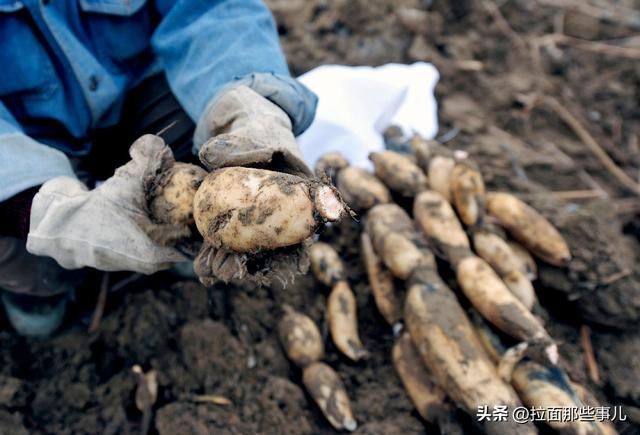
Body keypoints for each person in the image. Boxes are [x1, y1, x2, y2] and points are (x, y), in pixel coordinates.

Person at [0, 0, 318, 337]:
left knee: (211, 144)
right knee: (29, 252)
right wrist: (33, 208)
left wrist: (249, 99)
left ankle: (188, 238)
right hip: (25, 146)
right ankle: (43, 288)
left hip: (142, 104)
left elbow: (212, 9)